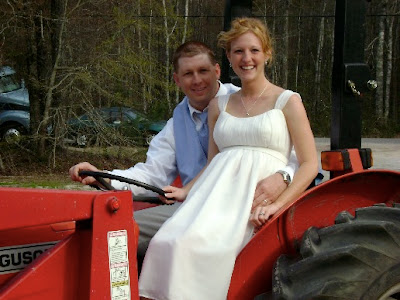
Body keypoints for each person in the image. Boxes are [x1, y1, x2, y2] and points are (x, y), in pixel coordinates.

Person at [69, 41, 299, 270]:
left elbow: (295, 154)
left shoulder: (251, 102)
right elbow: (152, 174)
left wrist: (283, 176)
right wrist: (104, 176)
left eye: (203, 71)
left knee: (164, 242)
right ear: (177, 80)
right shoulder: (175, 124)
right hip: (194, 206)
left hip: (244, 204)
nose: (197, 80)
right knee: (113, 232)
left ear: (217, 71)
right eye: (188, 74)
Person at [138, 18, 318, 300]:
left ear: (267, 54)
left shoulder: (287, 101)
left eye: (254, 50)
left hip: (251, 201)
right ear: (229, 58)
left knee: (200, 247)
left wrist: (279, 204)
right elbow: (213, 161)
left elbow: (309, 163)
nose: (247, 58)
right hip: (214, 197)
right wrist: (187, 190)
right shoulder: (218, 105)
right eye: (238, 51)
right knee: (166, 241)